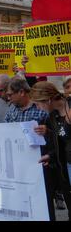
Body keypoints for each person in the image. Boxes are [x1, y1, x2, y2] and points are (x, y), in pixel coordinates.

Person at [3, 77, 56, 220]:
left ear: (21, 92)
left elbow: (58, 136)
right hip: (18, 167)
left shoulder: (42, 108)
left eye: (10, 94)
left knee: (44, 202)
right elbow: (2, 133)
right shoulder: (12, 111)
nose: (8, 98)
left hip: (41, 165)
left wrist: (48, 131)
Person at [31, 81, 71, 220]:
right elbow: (59, 142)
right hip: (66, 168)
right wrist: (50, 156)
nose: (37, 108)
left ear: (47, 100)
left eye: (37, 104)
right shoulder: (52, 116)